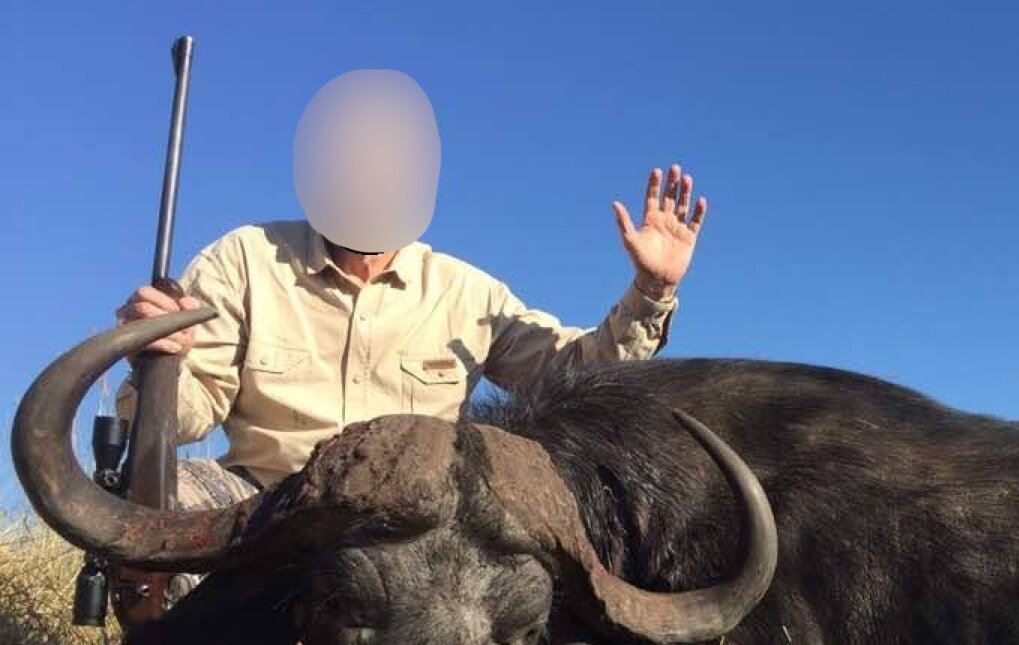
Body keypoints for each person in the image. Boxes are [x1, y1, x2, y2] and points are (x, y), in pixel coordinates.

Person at [115, 162, 707, 512]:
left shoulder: (465, 291)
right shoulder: (244, 258)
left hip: (412, 525)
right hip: (265, 504)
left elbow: (575, 372)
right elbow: (186, 419)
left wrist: (650, 292)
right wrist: (156, 363)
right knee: (167, 498)